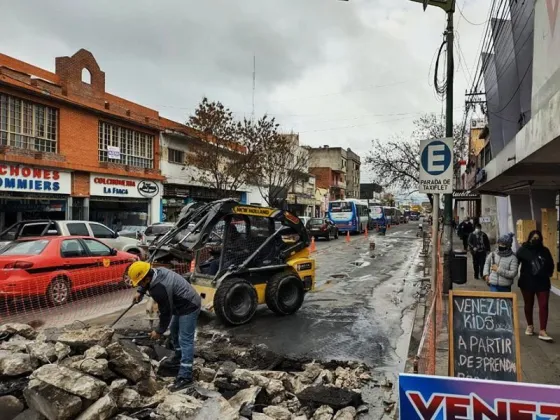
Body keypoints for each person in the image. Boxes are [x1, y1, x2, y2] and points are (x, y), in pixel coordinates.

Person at [129, 261, 201, 391]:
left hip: (189, 305)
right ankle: (178, 360)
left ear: (146, 278)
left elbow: (166, 313)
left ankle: (185, 377)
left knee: (185, 340)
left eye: (140, 282)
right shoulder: (156, 271)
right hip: (179, 304)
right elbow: (147, 281)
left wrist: (159, 331)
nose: (139, 284)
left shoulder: (160, 288)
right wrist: (140, 291)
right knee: (174, 332)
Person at [516, 230, 555, 342]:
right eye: (534, 237)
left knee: (543, 305)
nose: (535, 239)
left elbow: (550, 264)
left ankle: (542, 330)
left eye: (538, 237)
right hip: (527, 282)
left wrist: (548, 273)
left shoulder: (545, 251)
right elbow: (515, 262)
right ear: (529, 238)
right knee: (528, 304)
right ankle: (530, 325)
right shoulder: (523, 250)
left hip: (542, 282)